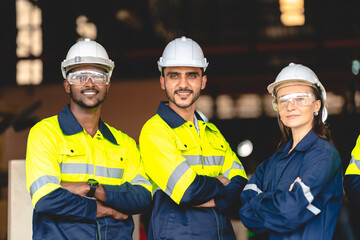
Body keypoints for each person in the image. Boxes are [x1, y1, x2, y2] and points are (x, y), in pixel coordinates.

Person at [25, 38, 152, 240]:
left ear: (108, 84)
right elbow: (47, 199)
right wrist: (106, 209)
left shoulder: (125, 143)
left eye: (98, 75)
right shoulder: (45, 133)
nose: (90, 83)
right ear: (67, 85)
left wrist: (91, 188)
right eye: (80, 76)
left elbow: (143, 198)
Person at [139, 36, 248, 240]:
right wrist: (221, 184)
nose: (183, 84)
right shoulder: (155, 131)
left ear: (203, 81)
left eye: (191, 75)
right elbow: (188, 190)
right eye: (174, 76)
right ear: (162, 81)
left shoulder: (212, 133)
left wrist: (212, 194)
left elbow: (241, 184)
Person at [239, 63, 343, 239]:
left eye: (300, 98)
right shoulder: (273, 162)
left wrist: (262, 200)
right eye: (283, 99)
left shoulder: (324, 154)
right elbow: (245, 211)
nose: (290, 106)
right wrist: (281, 201)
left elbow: (288, 213)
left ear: (317, 105)